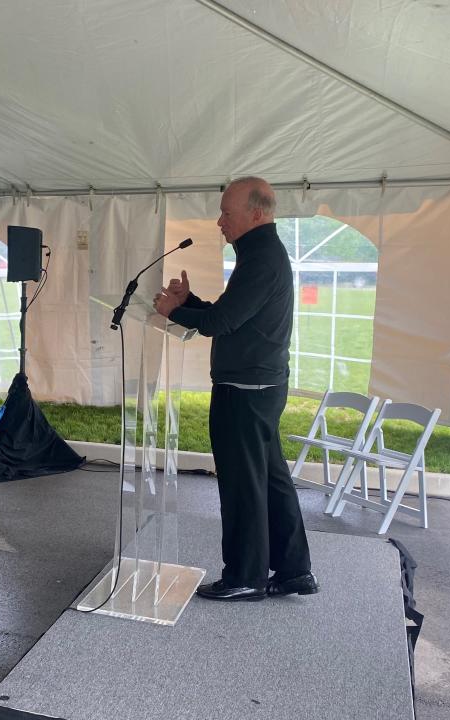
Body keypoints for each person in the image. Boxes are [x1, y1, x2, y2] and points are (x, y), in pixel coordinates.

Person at [152, 176, 316, 601]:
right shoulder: (261, 253)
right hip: (259, 386)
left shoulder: (261, 257)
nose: (219, 220)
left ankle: (246, 576)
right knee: (272, 479)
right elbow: (232, 314)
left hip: (245, 390)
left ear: (256, 214)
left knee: (243, 484)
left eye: (227, 211)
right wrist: (187, 303)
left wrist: (174, 311)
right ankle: (295, 570)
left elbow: (221, 323)